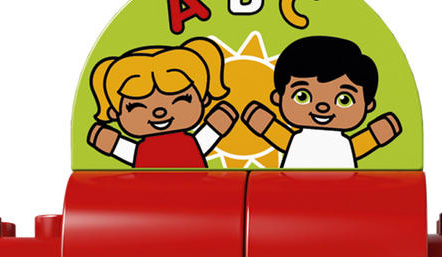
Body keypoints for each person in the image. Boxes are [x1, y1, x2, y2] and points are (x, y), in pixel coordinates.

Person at [240, 35, 401, 168]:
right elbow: (281, 138)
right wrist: (266, 125)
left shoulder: (343, 145)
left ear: (368, 105)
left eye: (344, 99)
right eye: (302, 96)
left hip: (341, 191)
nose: (322, 107)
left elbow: (357, 147)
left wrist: (374, 136)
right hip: (293, 190)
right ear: (278, 97)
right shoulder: (299, 140)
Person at [86, 38, 238, 167]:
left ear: (203, 99)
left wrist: (214, 128)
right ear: (114, 112)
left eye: (180, 99)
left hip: (194, 187)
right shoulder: (144, 151)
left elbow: (203, 142)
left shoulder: (188, 144)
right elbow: (131, 153)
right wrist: (114, 144)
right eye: (137, 106)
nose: (160, 112)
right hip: (150, 190)